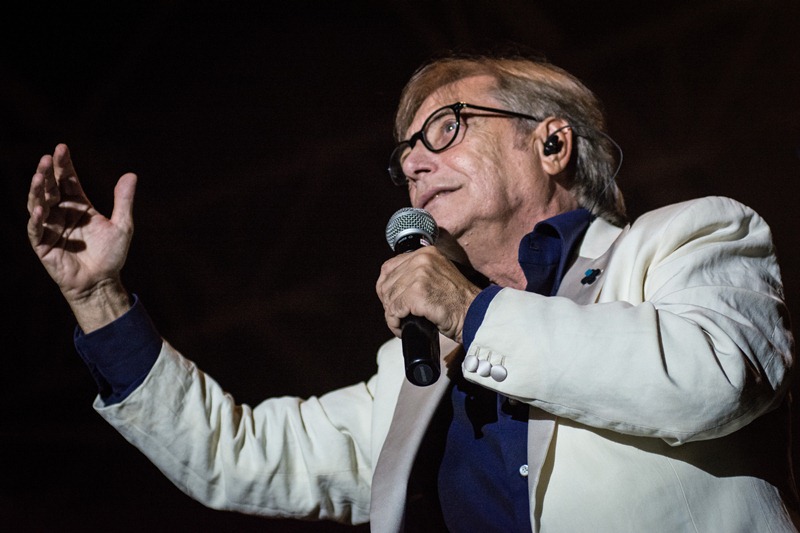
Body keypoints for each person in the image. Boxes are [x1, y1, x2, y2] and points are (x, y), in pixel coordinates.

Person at [27, 52, 799, 532]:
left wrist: (469, 310)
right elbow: (241, 456)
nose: (414, 164)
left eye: (447, 128)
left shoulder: (687, 237)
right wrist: (100, 299)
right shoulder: (415, 370)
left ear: (552, 141)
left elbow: (715, 375)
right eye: (405, 155)